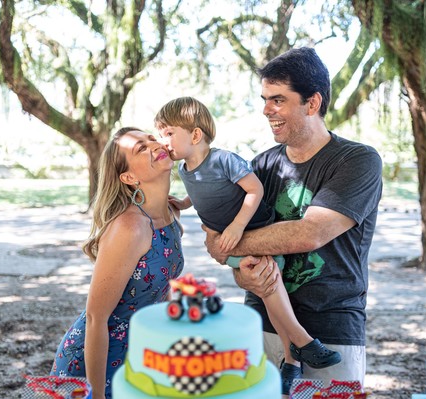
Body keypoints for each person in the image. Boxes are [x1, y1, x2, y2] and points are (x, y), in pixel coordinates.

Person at [200, 47, 383, 387]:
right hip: (259, 325)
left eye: (278, 100)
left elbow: (309, 234)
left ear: (312, 103)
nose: (267, 110)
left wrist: (227, 243)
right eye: (265, 99)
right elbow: (224, 251)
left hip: (331, 331)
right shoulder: (260, 166)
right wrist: (245, 277)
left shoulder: (357, 161)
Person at [154, 97, 341, 390]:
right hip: (230, 243)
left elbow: (254, 189)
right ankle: (298, 351)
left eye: (168, 133)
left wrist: (238, 226)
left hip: (256, 229)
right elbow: (201, 192)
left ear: (194, 135)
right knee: (268, 289)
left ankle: (297, 352)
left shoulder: (223, 159)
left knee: (269, 285)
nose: (162, 141)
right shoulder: (187, 170)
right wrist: (184, 202)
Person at [49, 127, 184, 399]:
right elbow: (95, 318)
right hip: (96, 368)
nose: (153, 145)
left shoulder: (171, 213)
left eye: (151, 139)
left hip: (141, 358)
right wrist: (95, 394)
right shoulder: (130, 227)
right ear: (129, 177)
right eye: (140, 148)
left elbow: (163, 289)